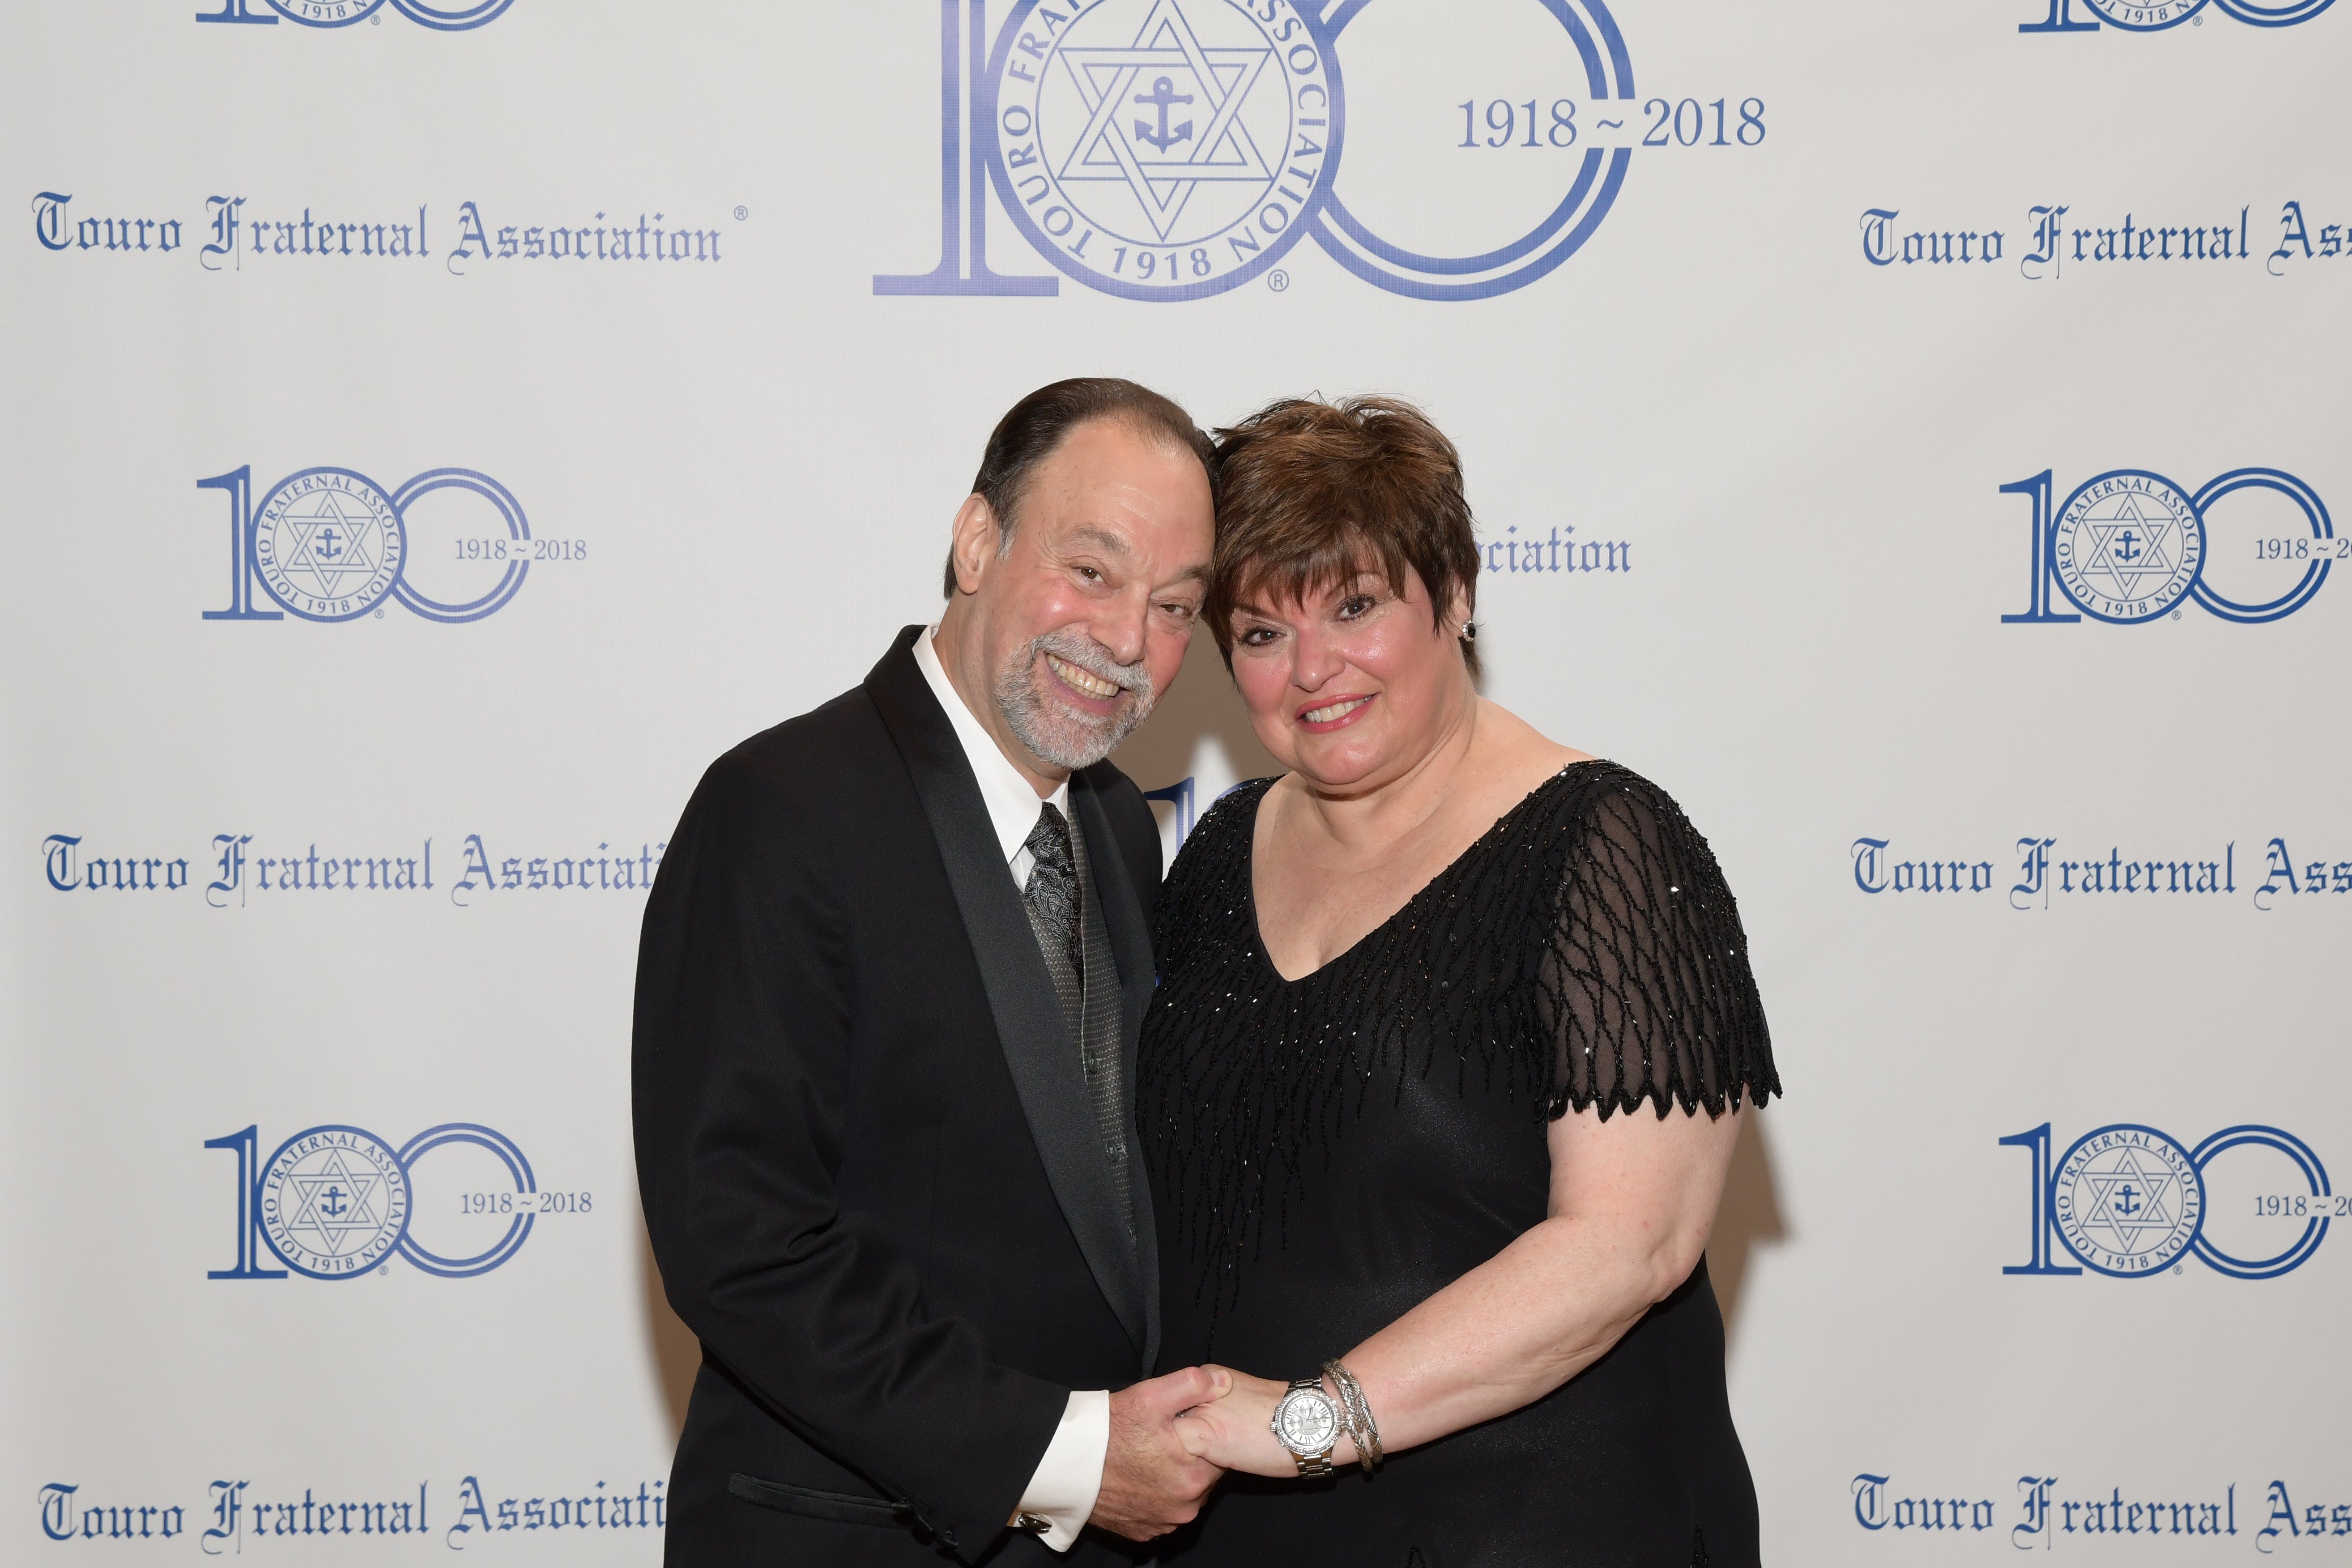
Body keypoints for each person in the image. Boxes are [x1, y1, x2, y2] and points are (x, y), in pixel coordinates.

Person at [1138, 397, 1781, 1568]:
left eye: (1355, 607)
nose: (1314, 669)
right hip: (1249, 1534)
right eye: (1263, 633)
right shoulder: (1219, 855)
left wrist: (1306, 1424)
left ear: (1456, 594)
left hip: (1547, 1529)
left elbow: (1633, 1244)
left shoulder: (1608, 844)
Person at [633, 378, 1239, 1565]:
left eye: (1174, 607)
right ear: (975, 542)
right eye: (1092, 570)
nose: (1128, 641)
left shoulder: (1119, 825)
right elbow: (742, 1240)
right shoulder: (781, 810)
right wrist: (1063, 1458)